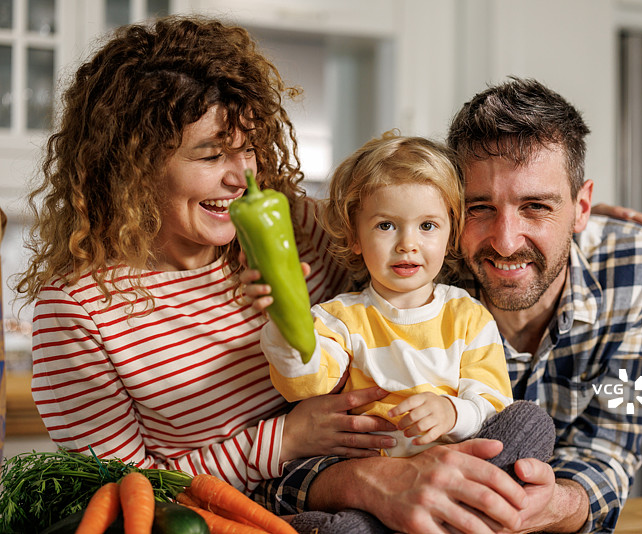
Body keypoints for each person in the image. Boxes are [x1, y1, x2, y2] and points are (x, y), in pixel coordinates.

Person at [258, 78, 642, 534]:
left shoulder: (639, 268)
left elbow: (610, 449)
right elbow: (289, 464)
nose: (505, 241)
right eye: (480, 208)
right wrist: (373, 480)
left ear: (581, 208)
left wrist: (552, 505)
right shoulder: (408, 272)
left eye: (536, 205)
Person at [15, 15, 399, 495]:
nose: (241, 177)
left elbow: (416, 293)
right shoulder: (79, 309)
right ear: (133, 165)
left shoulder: (302, 229)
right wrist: (286, 438)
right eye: (212, 155)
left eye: (249, 149)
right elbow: (123, 492)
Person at [260, 132, 556, 533]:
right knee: (349, 528)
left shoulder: (467, 316)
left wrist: (452, 412)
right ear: (355, 236)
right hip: (377, 485)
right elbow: (305, 384)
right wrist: (284, 320)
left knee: (530, 421)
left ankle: (456, 519)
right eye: (386, 225)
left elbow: (491, 399)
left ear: (451, 233)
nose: (408, 245)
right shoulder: (338, 318)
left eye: (428, 226)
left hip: (459, 474)